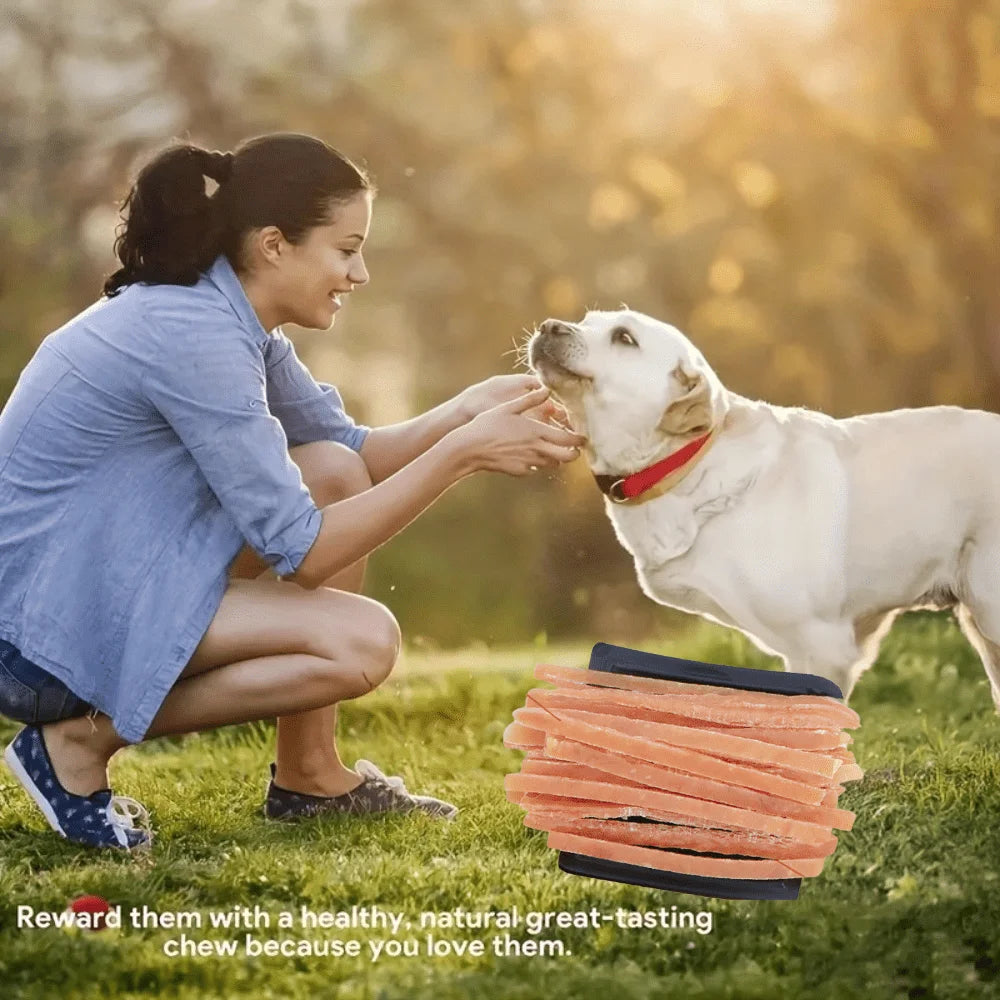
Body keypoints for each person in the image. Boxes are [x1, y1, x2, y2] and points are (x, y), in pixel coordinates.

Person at [0, 132, 585, 851]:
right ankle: (75, 744)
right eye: (346, 249)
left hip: (108, 582)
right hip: (40, 640)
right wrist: (463, 454)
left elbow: (355, 456)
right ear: (275, 244)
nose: (360, 272)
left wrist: (462, 412)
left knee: (333, 472)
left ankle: (309, 776)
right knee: (362, 644)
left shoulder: (228, 316)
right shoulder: (195, 336)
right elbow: (304, 554)